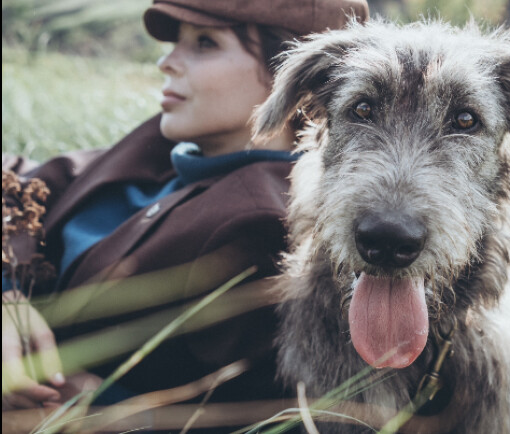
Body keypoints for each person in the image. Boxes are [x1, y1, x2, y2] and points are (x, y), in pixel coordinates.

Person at [1, 0, 369, 424]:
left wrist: (104, 407)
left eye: (205, 44)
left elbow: (254, 412)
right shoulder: (167, 147)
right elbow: (17, 180)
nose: (166, 62)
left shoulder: (263, 228)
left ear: (295, 75)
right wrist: (9, 294)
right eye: (176, 42)